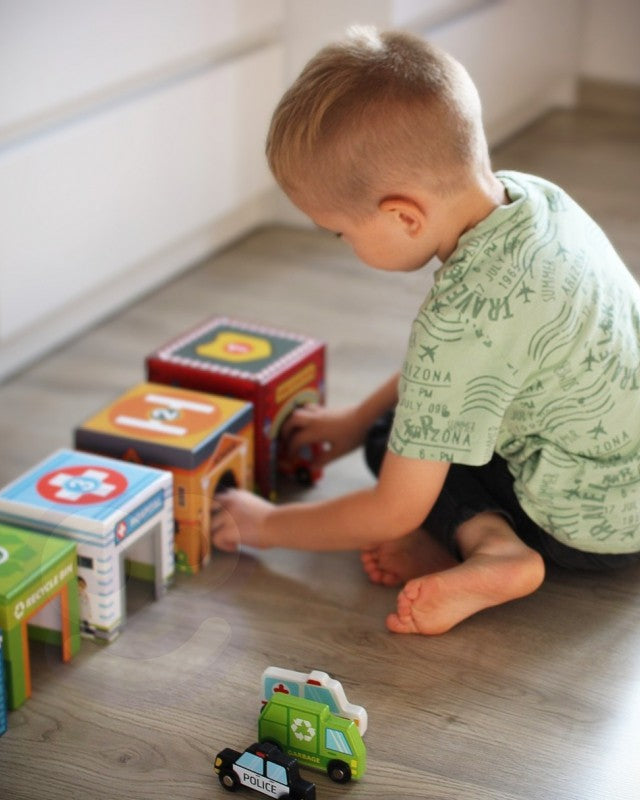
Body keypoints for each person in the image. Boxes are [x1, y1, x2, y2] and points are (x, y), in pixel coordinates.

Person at [212, 26, 640, 635]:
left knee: (391, 447)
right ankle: (465, 544)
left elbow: (394, 508)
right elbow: (455, 374)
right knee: (393, 426)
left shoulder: (459, 317)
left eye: (341, 232)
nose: (344, 244)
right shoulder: (541, 200)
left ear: (403, 216)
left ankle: (499, 549)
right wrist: (352, 415)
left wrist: (263, 526)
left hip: (588, 529)